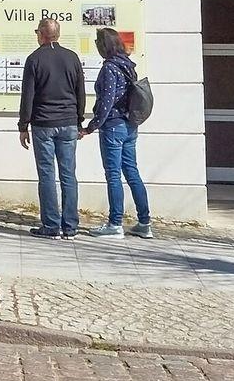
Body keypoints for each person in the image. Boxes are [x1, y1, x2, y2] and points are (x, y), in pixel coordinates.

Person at [17, 17, 84, 238]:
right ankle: (70, 226)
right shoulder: (72, 57)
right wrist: (79, 119)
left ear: (42, 34)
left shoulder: (34, 59)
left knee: (47, 174)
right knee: (68, 174)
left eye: (37, 32)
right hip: (68, 122)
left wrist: (23, 125)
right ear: (58, 34)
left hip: (43, 123)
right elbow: (80, 92)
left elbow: (28, 95)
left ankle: (51, 225)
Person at [83, 25, 152, 238]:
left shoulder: (110, 68)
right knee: (132, 171)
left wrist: (91, 126)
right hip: (130, 125)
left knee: (113, 175)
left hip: (113, 126)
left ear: (104, 46)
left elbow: (107, 101)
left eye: (97, 43)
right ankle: (144, 222)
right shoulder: (128, 65)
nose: (96, 46)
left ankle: (115, 224)